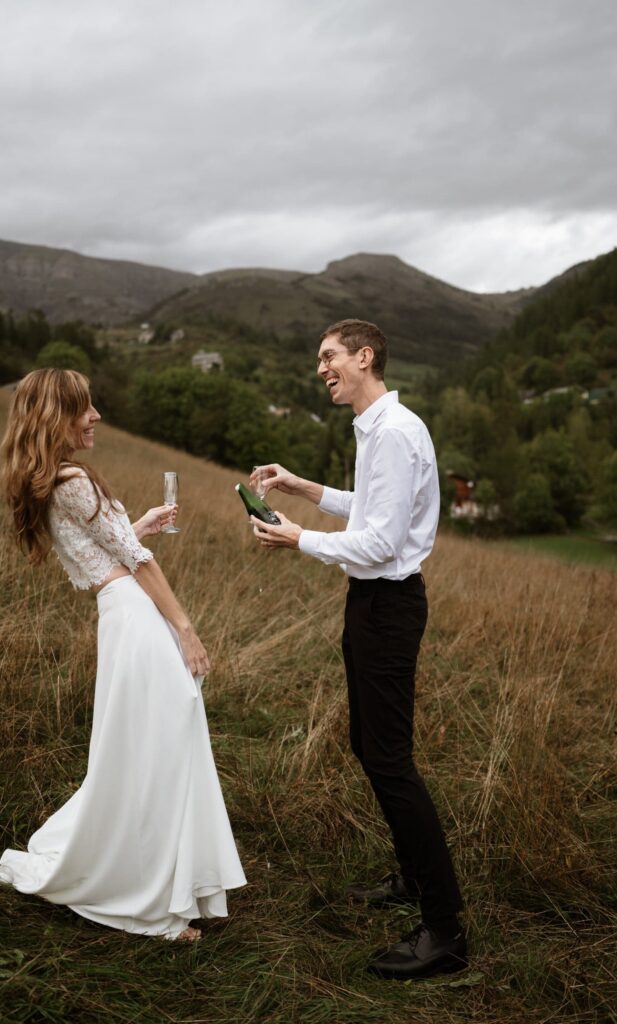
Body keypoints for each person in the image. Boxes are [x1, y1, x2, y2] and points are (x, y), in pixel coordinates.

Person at [250, 319, 466, 980]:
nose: (321, 369)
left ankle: (445, 933)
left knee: (391, 762)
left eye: (328, 356)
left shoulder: (396, 433)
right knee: (369, 748)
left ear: (363, 357)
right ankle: (409, 876)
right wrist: (302, 489)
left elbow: (377, 544)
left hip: (389, 605)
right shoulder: (374, 429)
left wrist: (297, 540)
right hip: (369, 604)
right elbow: (370, 511)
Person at [0, 368, 246, 941]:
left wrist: (140, 526)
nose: (96, 417)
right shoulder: (73, 479)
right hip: (136, 619)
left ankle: (166, 877)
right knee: (160, 745)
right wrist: (185, 628)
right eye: (85, 408)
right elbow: (135, 564)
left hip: (122, 617)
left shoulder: (50, 480)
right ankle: (150, 902)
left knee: (151, 743)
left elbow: (105, 552)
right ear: (58, 416)